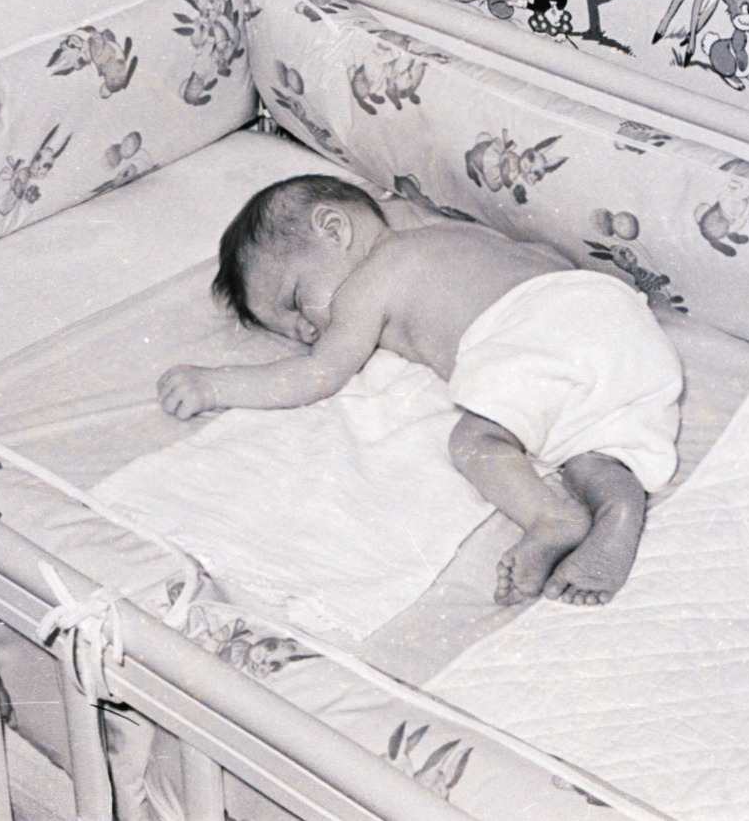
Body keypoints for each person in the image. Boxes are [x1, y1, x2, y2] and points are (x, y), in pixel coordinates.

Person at [157, 175, 683, 607]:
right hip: (619, 323)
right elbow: (541, 256)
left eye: (296, 302)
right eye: (289, 330)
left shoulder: (372, 278)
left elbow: (315, 375)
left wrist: (214, 383)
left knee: (476, 441)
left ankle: (554, 517)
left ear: (333, 229)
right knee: (587, 445)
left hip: (539, 326)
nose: (306, 331)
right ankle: (617, 507)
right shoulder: (452, 236)